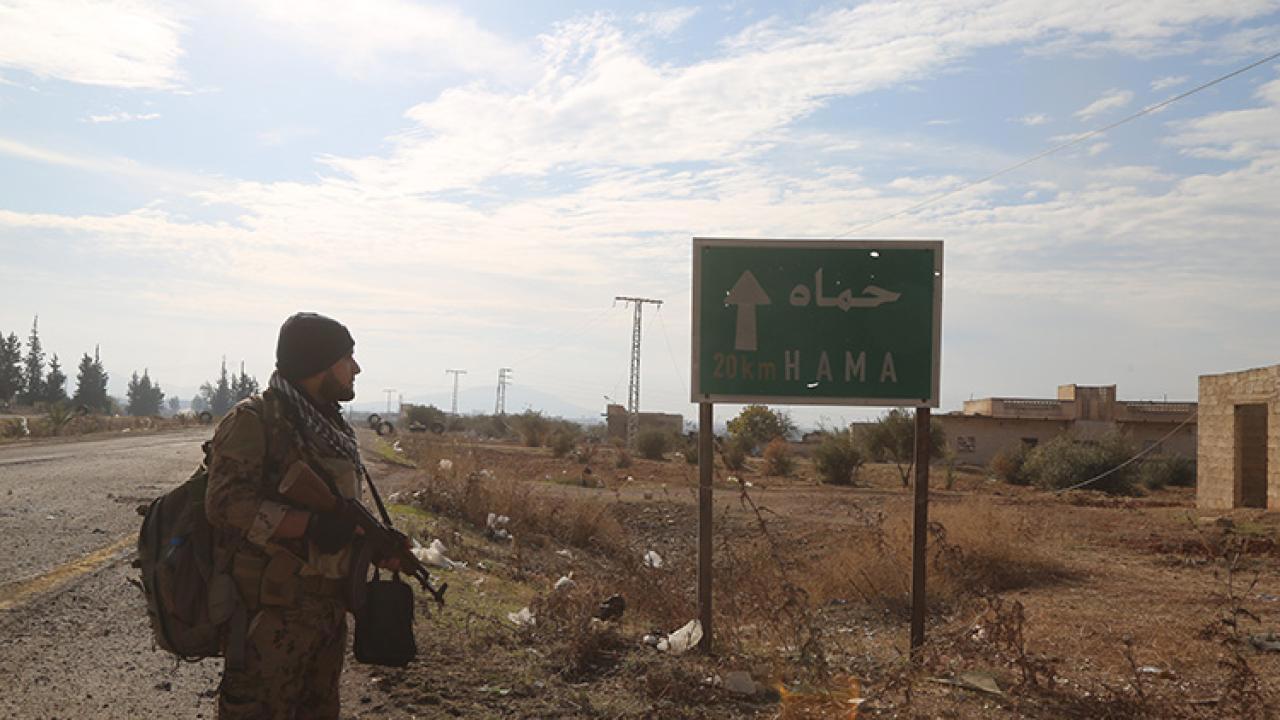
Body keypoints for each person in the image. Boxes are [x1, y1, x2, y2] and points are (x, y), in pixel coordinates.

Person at [205, 311, 373, 719]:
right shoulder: (255, 420)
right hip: (269, 614)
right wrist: (311, 526)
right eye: (347, 357)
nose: (356, 368)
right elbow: (225, 503)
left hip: (325, 614)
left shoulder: (327, 423)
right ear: (318, 363)